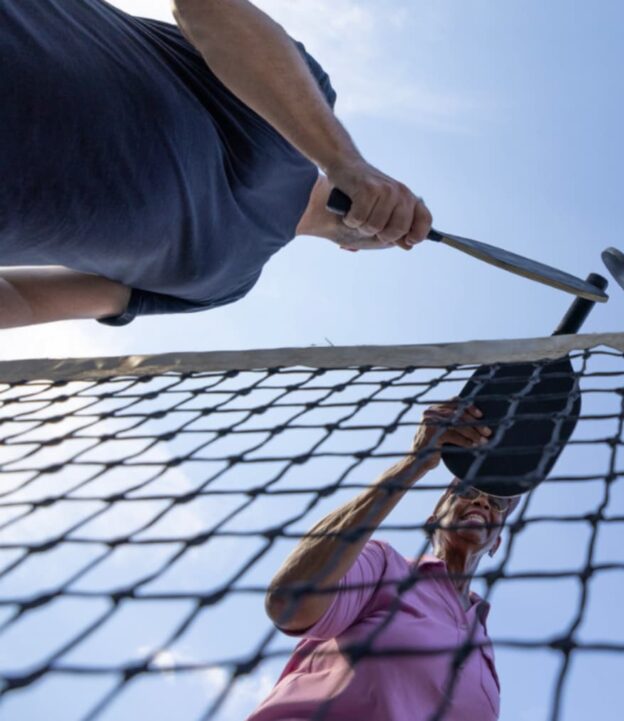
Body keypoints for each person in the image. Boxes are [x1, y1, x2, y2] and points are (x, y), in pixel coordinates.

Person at [0, 0, 431, 330]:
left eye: (401, 236)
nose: (399, 226)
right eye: (407, 209)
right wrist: (346, 161)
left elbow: (25, 298)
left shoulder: (225, 287)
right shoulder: (303, 99)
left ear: (351, 249)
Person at [248, 402, 511, 721]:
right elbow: (290, 603)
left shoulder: (483, 645)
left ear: (497, 542)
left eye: (498, 501)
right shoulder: (384, 565)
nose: (483, 500)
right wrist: (415, 464)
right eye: (466, 490)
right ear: (433, 518)